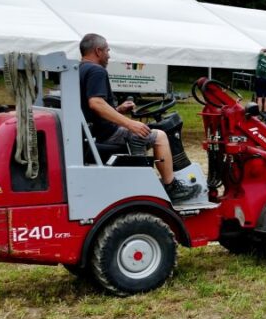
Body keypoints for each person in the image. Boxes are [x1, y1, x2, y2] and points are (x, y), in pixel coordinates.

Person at [78, 33, 201, 203]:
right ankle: (171, 186)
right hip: (105, 134)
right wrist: (131, 124)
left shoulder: (79, 70)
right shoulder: (96, 70)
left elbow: (91, 107)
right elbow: (96, 103)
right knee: (160, 136)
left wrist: (119, 110)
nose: (109, 55)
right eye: (107, 50)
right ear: (98, 51)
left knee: (147, 131)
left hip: (93, 132)